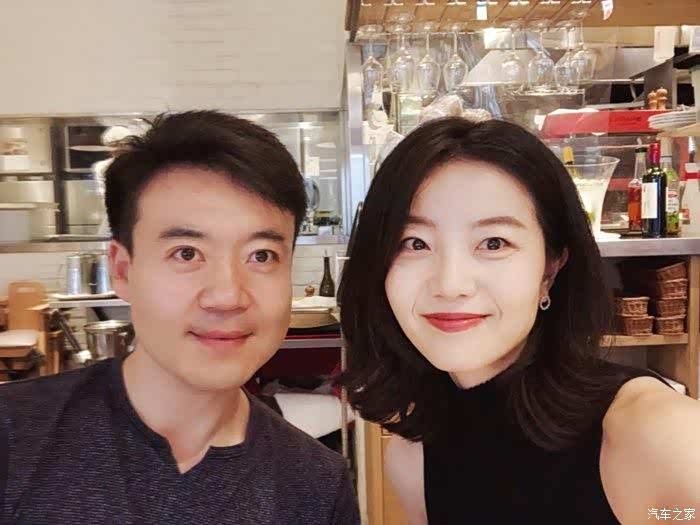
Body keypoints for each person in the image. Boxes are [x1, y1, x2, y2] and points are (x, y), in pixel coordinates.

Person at [0, 111, 359, 524]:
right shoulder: (14, 435)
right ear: (122, 269)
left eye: (261, 256)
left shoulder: (316, 485)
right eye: (186, 253)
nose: (227, 296)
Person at [339, 117, 700, 524]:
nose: (450, 285)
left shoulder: (659, 436)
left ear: (550, 267)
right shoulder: (411, 458)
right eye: (414, 243)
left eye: (494, 243)